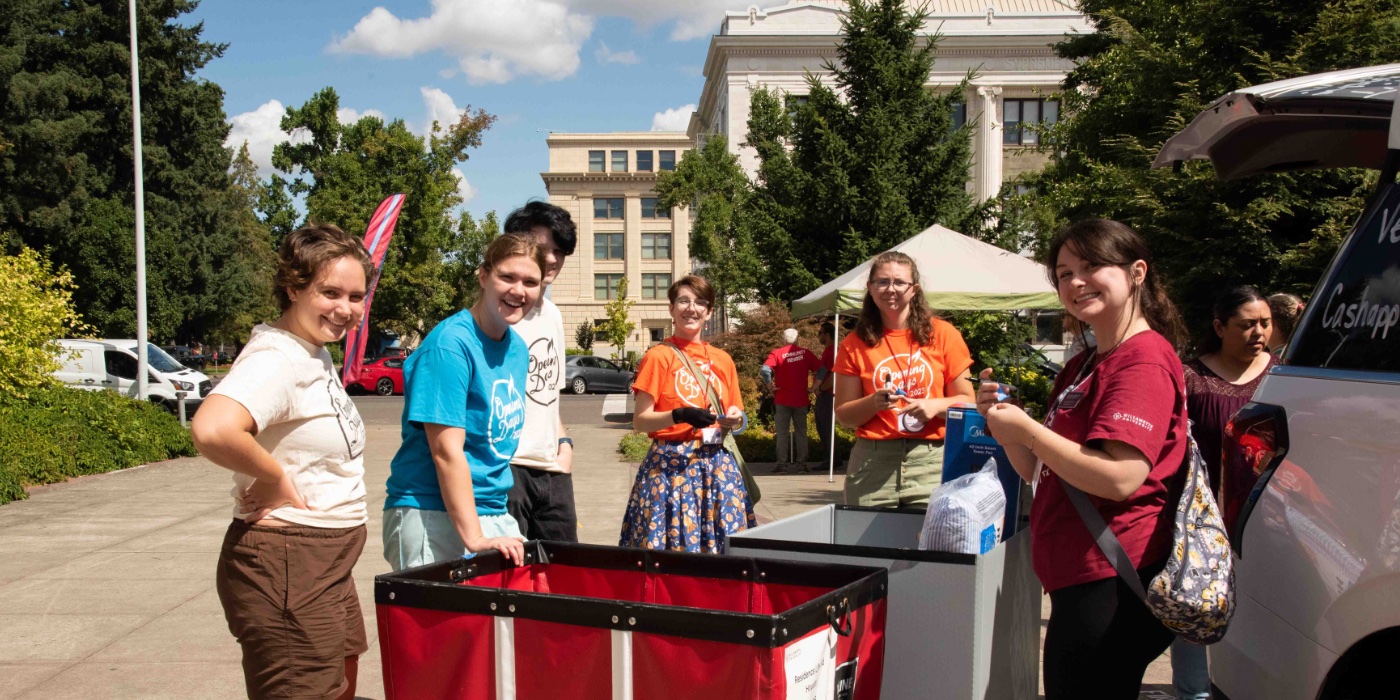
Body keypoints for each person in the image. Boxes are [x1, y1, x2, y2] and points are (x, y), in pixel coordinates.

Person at [976, 218, 1189, 699]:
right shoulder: (1085, 363)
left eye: (1092, 266)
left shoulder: (1143, 360)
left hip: (1112, 579)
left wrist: (1029, 430)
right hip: (1078, 575)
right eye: (1064, 272)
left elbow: (1119, 478)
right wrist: (1006, 427)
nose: (1075, 282)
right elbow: (1040, 471)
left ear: (1137, 272)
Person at [192, 223, 373, 700]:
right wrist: (272, 476)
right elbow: (213, 428)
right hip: (290, 561)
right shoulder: (278, 357)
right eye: (329, 292)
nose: (345, 309)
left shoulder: (311, 351)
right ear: (294, 287)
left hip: (325, 558)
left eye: (356, 296)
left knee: (339, 675)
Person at [382, 233, 545, 570]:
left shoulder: (516, 348)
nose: (519, 290)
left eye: (531, 281)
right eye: (507, 277)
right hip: (430, 511)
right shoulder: (450, 346)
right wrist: (475, 540)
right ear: (483, 276)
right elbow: (446, 452)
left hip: (491, 509)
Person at [1171, 286, 1276, 700]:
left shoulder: (1283, 375)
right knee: (1198, 606)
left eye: (1265, 323)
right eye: (1246, 324)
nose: (1258, 332)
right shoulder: (1190, 378)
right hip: (1204, 521)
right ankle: (1193, 693)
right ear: (1219, 327)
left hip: (1270, 518)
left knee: (1266, 613)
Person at [620, 275, 756, 553]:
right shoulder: (658, 356)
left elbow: (737, 412)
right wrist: (680, 414)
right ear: (671, 309)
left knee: (723, 553)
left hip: (718, 468)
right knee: (671, 551)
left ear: (709, 312)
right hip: (670, 469)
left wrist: (735, 417)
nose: (691, 308)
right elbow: (640, 420)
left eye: (699, 302)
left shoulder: (723, 360)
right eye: (683, 300)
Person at [833, 250, 976, 508]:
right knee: (869, 548)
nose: (891, 289)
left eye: (900, 282)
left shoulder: (944, 334)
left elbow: (968, 402)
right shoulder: (853, 344)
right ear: (870, 287)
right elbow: (844, 416)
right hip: (871, 465)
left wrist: (935, 406)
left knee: (930, 545)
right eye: (882, 282)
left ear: (914, 289)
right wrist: (873, 403)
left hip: (932, 462)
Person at [503, 202, 580, 542]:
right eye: (542, 248)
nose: (551, 259)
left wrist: (565, 444)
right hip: (508, 470)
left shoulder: (553, 316)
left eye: (559, 251)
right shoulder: (500, 316)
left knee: (564, 576)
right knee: (509, 582)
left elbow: (548, 396)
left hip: (552, 469)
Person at [761, 327, 823, 473]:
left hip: (782, 398)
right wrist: (814, 387)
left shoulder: (777, 353)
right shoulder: (805, 353)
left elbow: (764, 370)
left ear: (783, 339)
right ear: (797, 339)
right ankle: (802, 464)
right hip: (801, 399)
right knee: (801, 432)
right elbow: (822, 369)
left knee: (782, 433)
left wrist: (770, 387)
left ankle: (781, 465)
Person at [814, 322, 837, 472]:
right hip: (827, 393)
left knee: (825, 426)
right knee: (826, 426)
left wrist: (821, 388)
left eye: (820, 333)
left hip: (828, 395)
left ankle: (830, 460)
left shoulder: (831, 351)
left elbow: (834, 374)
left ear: (827, 335)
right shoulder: (829, 351)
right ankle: (835, 458)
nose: (819, 336)